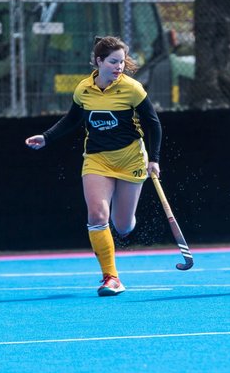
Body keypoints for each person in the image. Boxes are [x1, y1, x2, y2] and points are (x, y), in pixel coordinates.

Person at [25, 36, 162, 297]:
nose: (119, 67)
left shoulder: (132, 89)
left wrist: (154, 159)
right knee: (97, 215)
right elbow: (72, 119)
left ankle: (122, 222)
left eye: (121, 62)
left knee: (122, 226)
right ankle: (111, 277)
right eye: (113, 62)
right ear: (99, 61)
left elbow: (153, 123)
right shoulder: (83, 89)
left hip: (131, 159)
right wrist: (46, 137)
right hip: (97, 159)